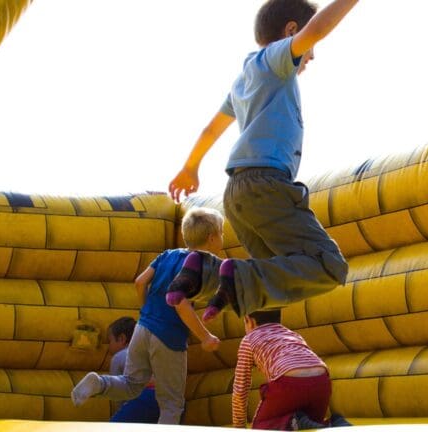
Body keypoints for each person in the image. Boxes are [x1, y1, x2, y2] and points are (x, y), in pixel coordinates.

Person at [166, 0, 358, 322]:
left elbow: (212, 127)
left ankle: (209, 275)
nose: (311, 56)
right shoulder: (275, 61)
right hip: (266, 186)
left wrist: (190, 167)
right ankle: (230, 278)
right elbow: (319, 29)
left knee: (269, 284)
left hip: (237, 194)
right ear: (291, 31)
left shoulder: (244, 80)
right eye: (309, 49)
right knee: (328, 265)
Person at [71, 207, 224, 424]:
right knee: (171, 404)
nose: (223, 239)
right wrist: (205, 336)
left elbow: (140, 282)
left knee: (131, 384)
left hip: (143, 328)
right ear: (211, 238)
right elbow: (180, 302)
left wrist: (146, 311)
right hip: (168, 336)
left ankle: (99, 383)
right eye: (222, 233)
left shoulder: (167, 255)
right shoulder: (198, 264)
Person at [232, 309, 350, 430]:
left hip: (288, 383)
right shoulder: (292, 335)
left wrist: (239, 426)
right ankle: (333, 423)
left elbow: (241, 387)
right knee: (312, 426)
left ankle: (293, 423)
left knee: (261, 428)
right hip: (321, 382)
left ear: (248, 320)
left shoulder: (249, 339)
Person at [105, 316, 160, 423]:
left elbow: (117, 395)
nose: (108, 347)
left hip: (145, 397)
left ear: (121, 339)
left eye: (109, 341)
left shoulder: (119, 357)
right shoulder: (151, 352)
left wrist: (119, 416)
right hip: (169, 400)